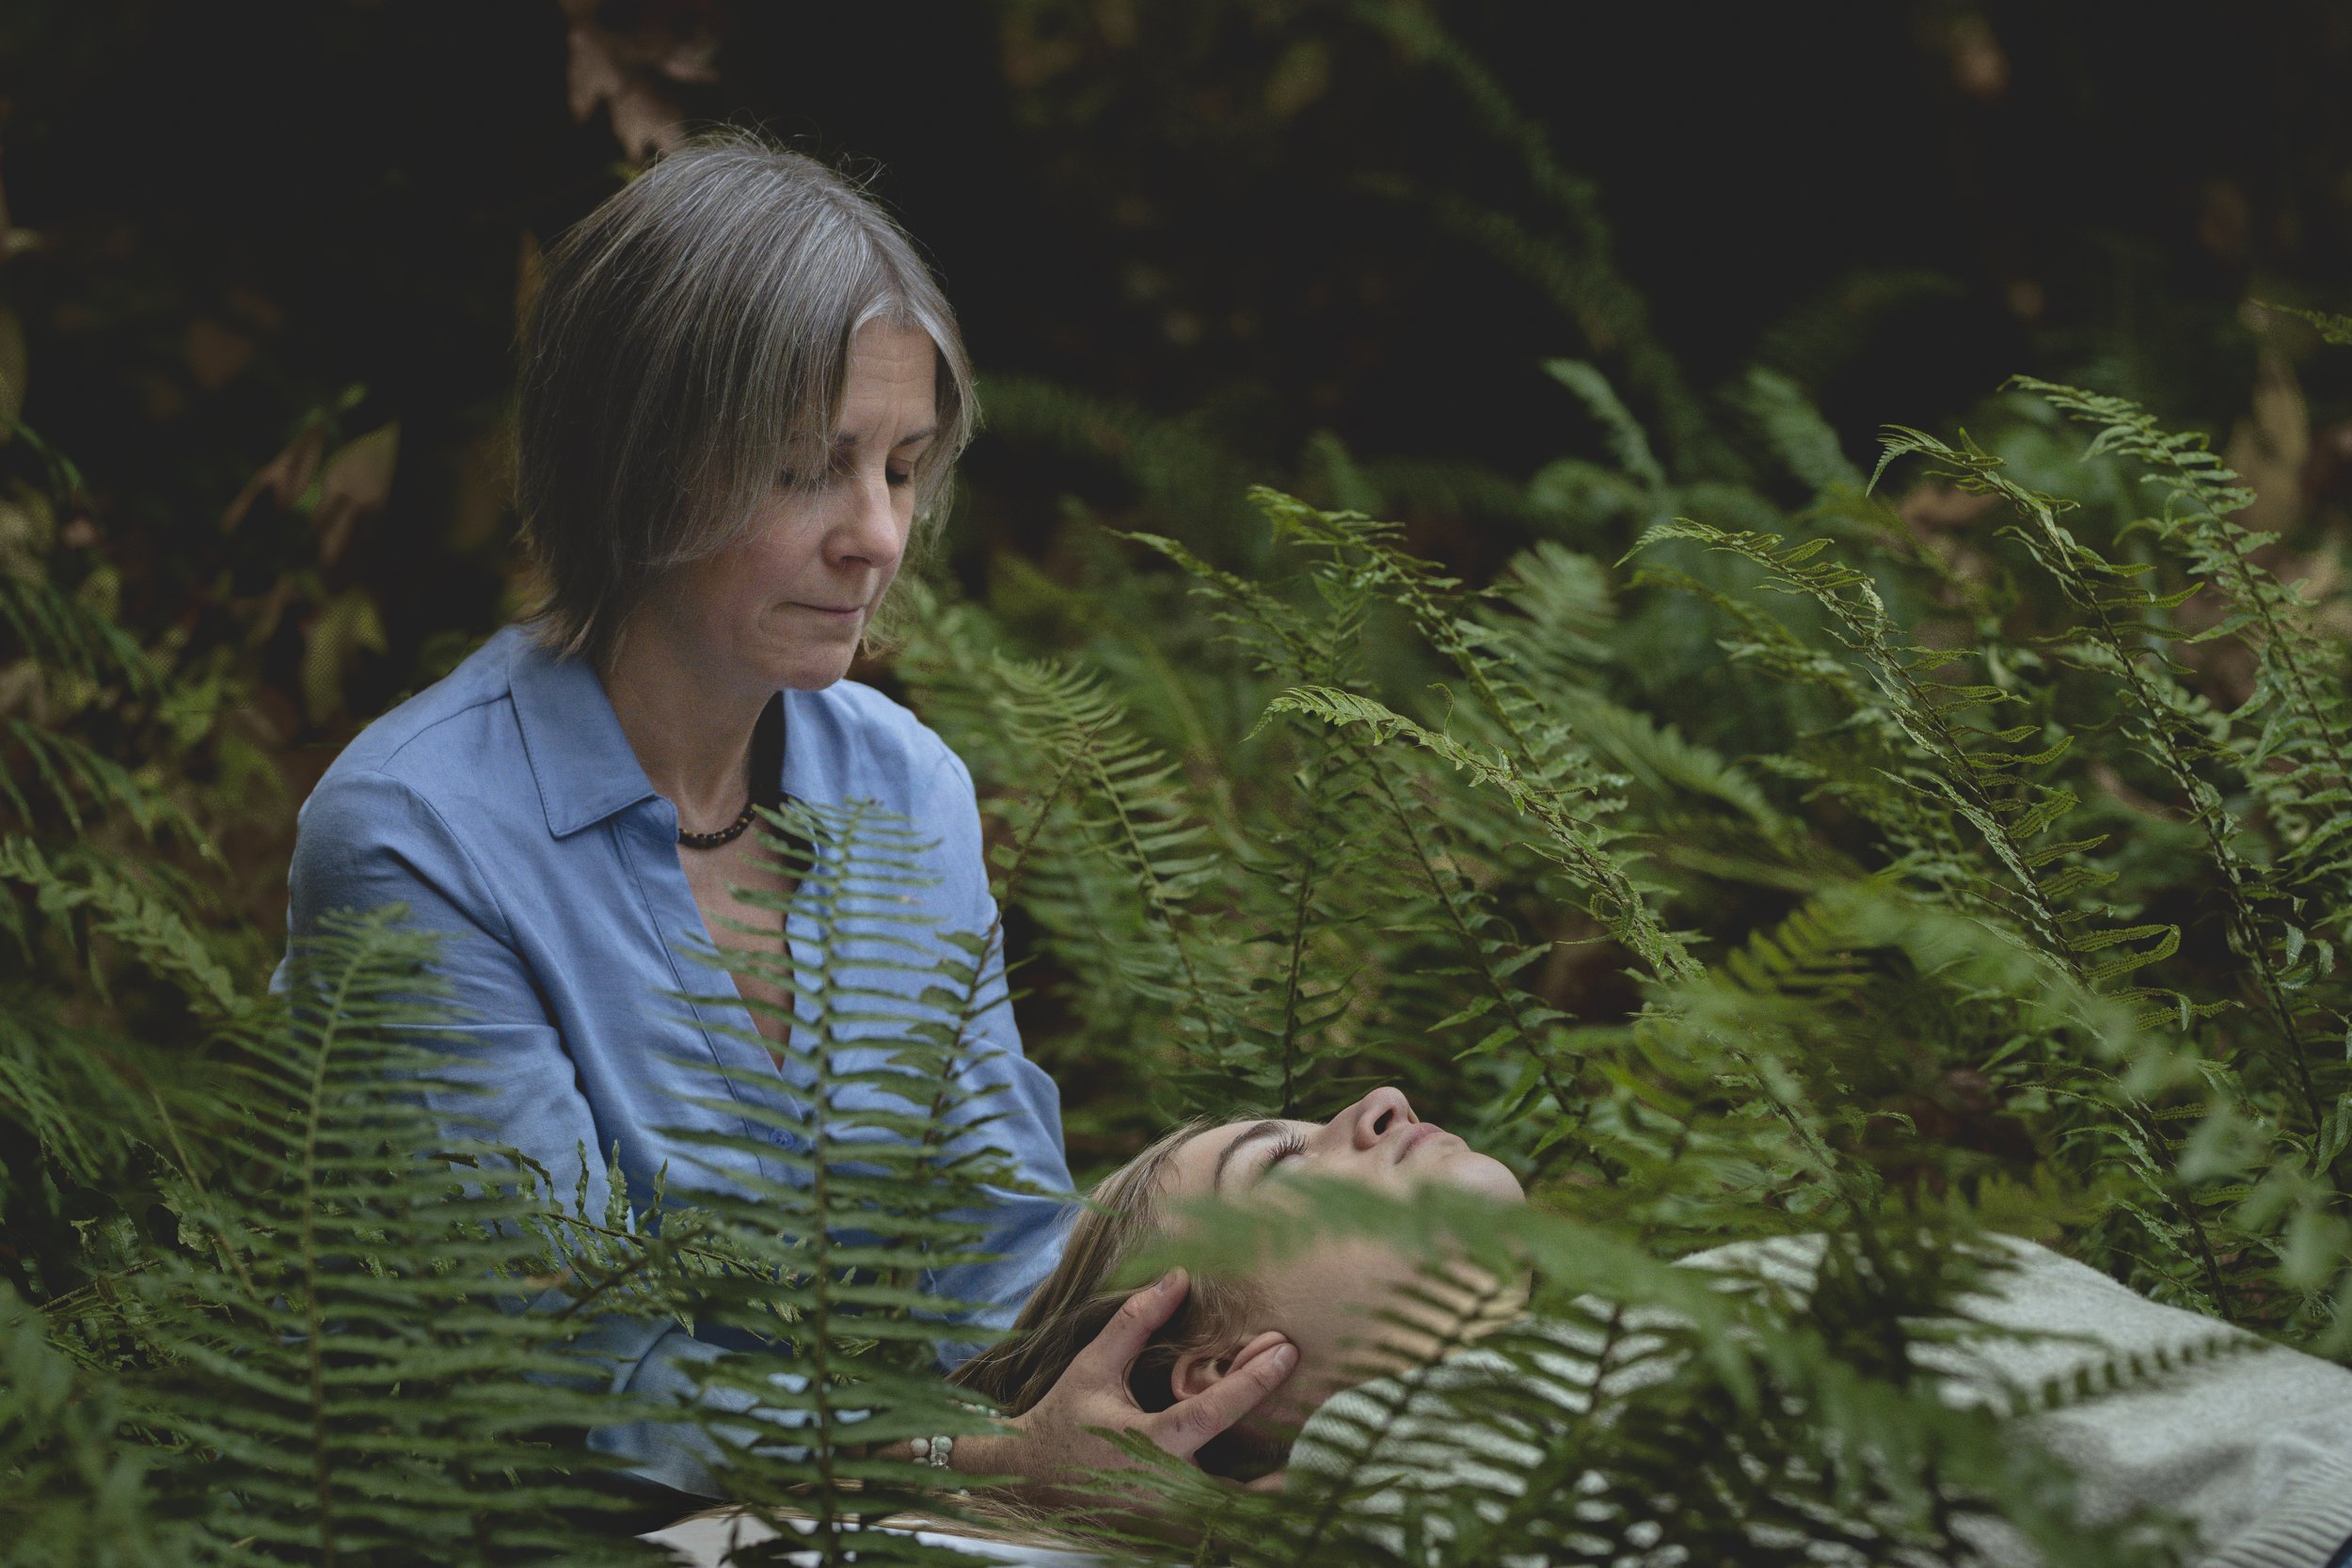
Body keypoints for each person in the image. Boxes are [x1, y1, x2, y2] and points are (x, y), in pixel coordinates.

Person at [277, 131, 1292, 1514]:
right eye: (811, 468)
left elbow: (994, 1247)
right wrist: (985, 1461)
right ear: (636, 462)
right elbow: (578, 1378)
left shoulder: (902, 786)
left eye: (905, 466)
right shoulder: (417, 837)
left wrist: (1222, 1381)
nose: (877, 533)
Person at [948, 1086, 2352, 1568]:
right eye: (1287, 1165)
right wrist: (1011, 1474)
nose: (1371, 1105)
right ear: (1218, 1378)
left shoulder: (1632, 1343)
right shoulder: (1455, 1498)